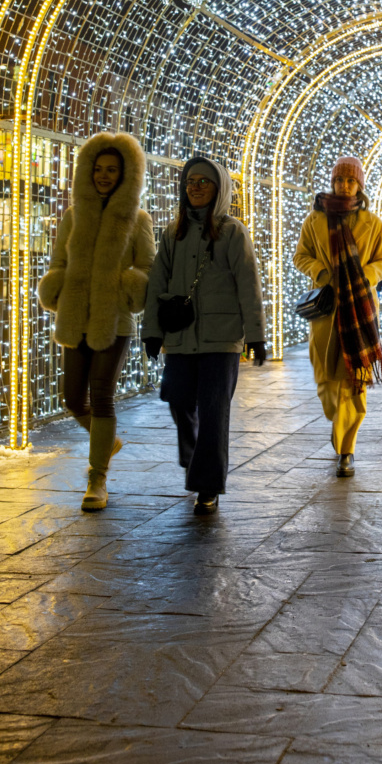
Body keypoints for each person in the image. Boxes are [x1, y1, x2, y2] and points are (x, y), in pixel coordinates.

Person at [142, 157, 266, 515]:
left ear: (219, 189)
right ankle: (197, 457)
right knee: (177, 399)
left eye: (204, 182)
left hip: (221, 339)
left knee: (213, 413)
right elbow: (156, 286)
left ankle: (207, 485)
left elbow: (248, 287)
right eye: (190, 181)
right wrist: (152, 331)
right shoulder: (172, 233)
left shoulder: (233, 232)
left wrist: (255, 336)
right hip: (181, 337)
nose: (195, 187)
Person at [38, 132, 155, 511]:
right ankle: (107, 441)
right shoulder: (73, 217)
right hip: (76, 316)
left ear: (126, 174)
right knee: (73, 398)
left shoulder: (138, 219)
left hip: (115, 319)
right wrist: (56, 285)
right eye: (98, 169)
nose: (104, 175)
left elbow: (148, 268)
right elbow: (58, 262)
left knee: (101, 393)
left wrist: (126, 286)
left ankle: (97, 478)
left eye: (112, 170)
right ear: (87, 171)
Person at [294, 156, 382, 477]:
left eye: (350, 181)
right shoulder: (314, 220)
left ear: (359, 186)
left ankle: (347, 448)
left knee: (354, 381)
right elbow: (301, 255)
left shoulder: (372, 223)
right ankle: (338, 421)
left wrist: (367, 275)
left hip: (359, 309)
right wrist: (320, 272)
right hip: (325, 309)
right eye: (339, 180)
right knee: (325, 380)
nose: (343, 185)